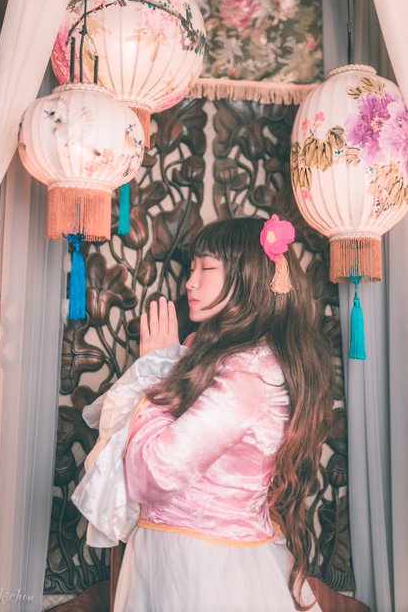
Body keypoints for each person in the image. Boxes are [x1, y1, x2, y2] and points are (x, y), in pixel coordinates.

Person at [74, 215, 334, 612]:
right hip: (184, 553)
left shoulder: (247, 375)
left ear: (246, 278)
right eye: (191, 268)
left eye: (206, 268)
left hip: (204, 565)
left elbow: (157, 470)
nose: (190, 282)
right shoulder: (233, 359)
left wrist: (156, 371)